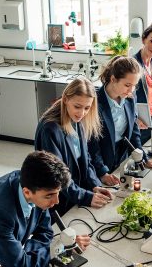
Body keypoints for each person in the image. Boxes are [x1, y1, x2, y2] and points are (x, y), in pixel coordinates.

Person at [34, 77, 114, 216]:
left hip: (75, 194)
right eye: (77, 106)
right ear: (65, 99)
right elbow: (57, 175)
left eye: (87, 108)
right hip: (60, 200)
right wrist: (86, 197)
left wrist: (94, 185)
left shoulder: (78, 120)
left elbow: (85, 158)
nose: (82, 113)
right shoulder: (50, 129)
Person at [89, 56, 152, 187]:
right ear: (113, 79)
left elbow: (134, 131)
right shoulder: (94, 103)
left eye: (134, 86)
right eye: (127, 85)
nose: (131, 90)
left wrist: (142, 157)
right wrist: (102, 172)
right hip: (101, 162)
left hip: (122, 159)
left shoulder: (129, 98)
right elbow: (92, 145)